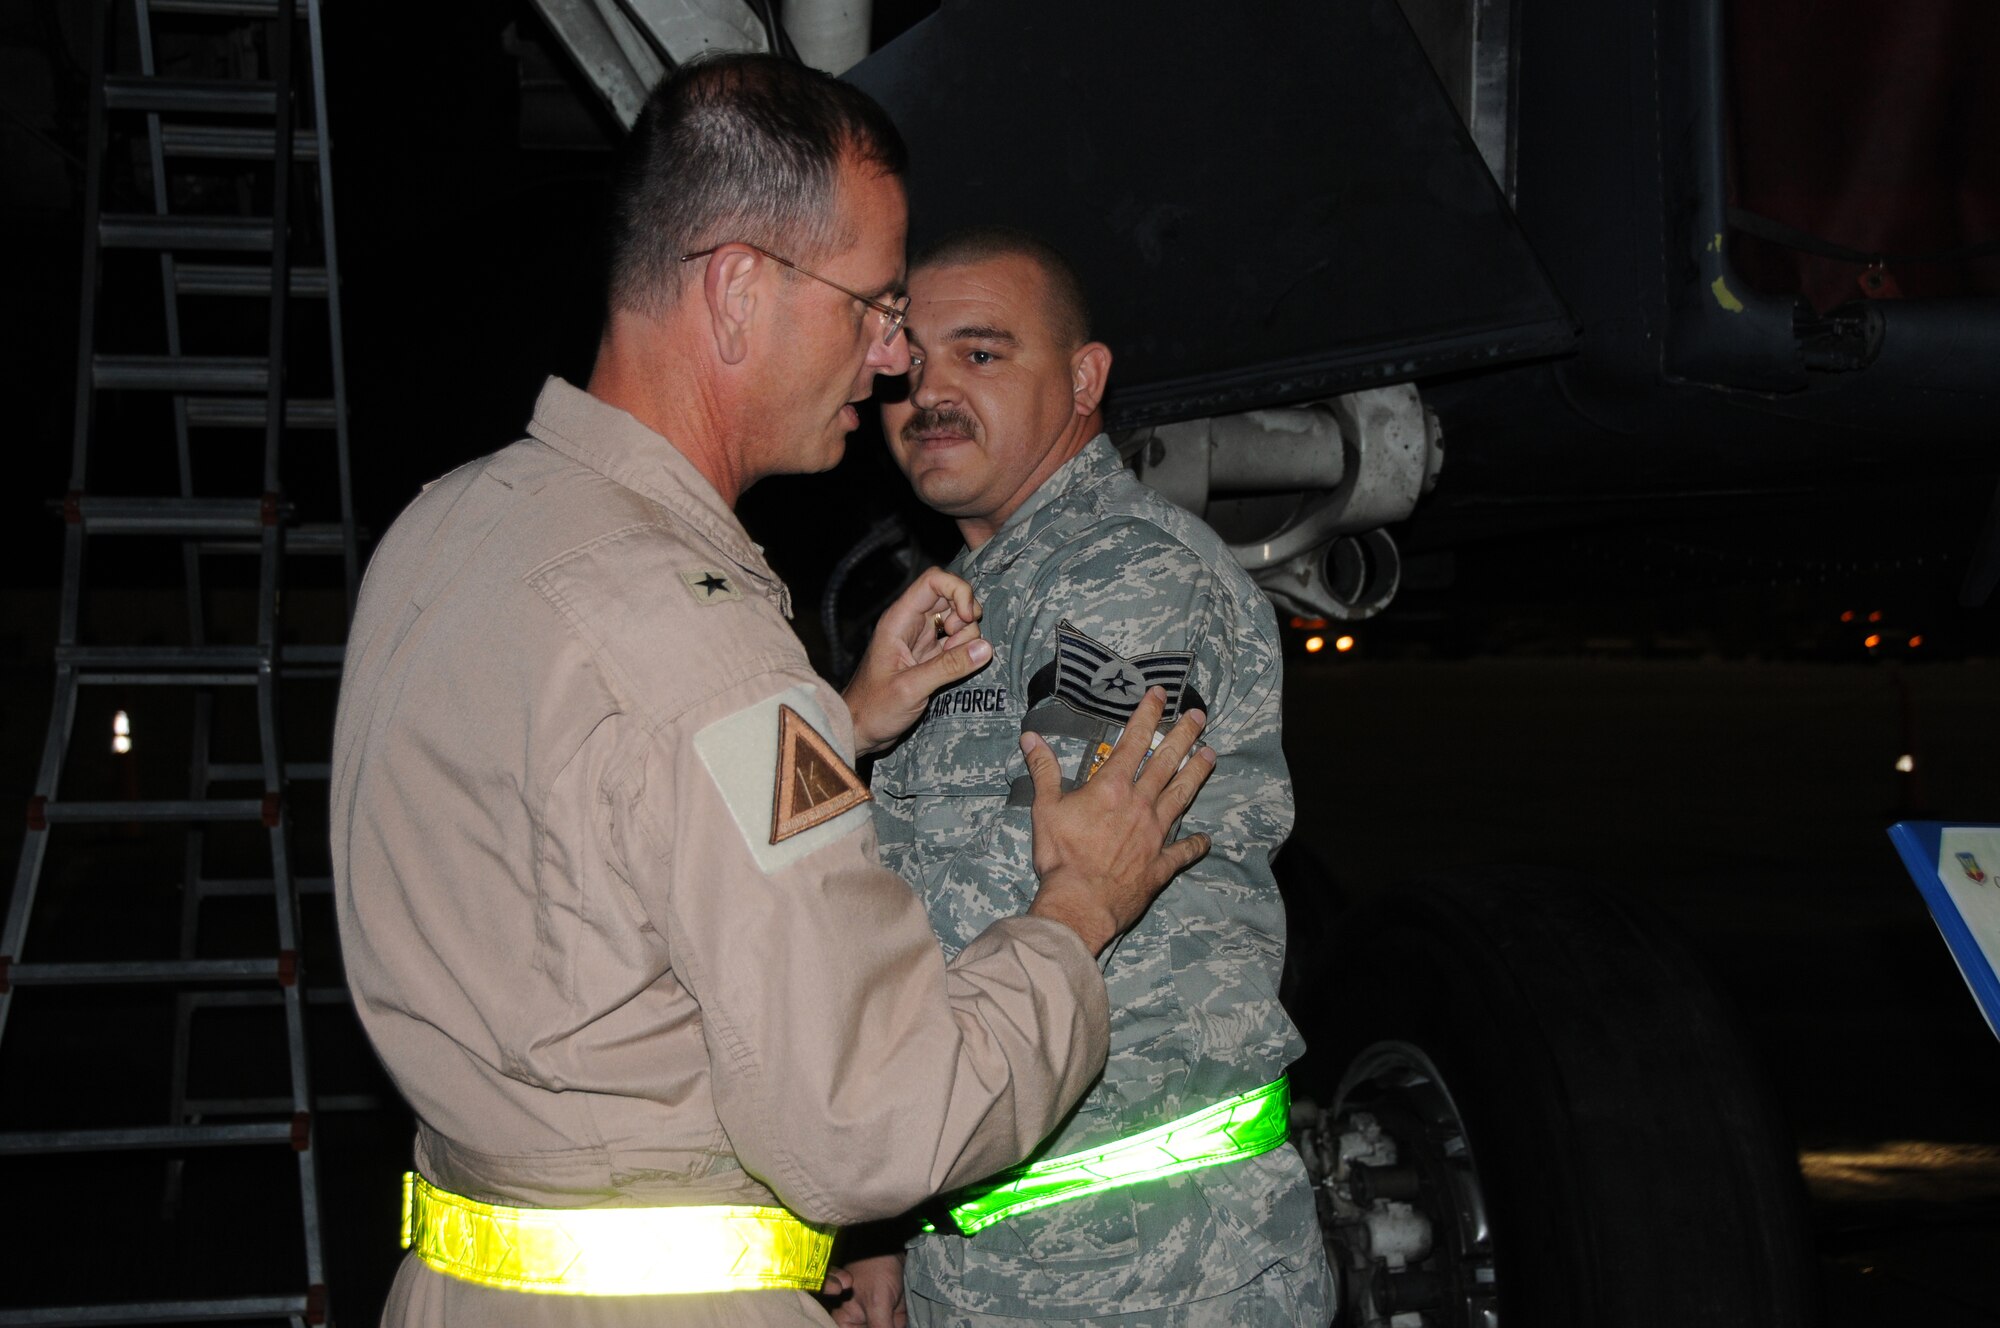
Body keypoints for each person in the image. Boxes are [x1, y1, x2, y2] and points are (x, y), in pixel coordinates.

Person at [330, 58, 1217, 1328]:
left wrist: (834, 725)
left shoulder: (448, 531)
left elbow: (577, 840)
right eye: (875, 305)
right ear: (738, 289)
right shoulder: (703, 654)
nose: (894, 357)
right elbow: (873, 1118)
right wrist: (1076, 908)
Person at [848, 228, 1334, 1327]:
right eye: (908, 363)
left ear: (1082, 380)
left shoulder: (1126, 574)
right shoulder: (970, 594)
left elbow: (1013, 898)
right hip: (993, 1259)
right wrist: (891, 1227)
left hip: (1154, 1274)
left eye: (980, 355)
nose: (929, 393)